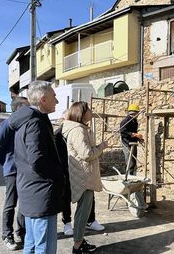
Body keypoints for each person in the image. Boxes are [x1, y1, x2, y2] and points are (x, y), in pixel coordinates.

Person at [9, 81, 65, 254]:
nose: (56, 101)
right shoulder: (35, 123)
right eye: (54, 97)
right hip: (41, 192)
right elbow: (37, 160)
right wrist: (59, 173)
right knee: (44, 246)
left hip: (31, 190)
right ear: (43, 99)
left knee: (32, 243)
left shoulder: (29, 120)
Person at [62, 101, 108, 254]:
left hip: (83, 175)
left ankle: (80, 240)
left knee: (84, 210)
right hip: (83, 176)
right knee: (83, 212)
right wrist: (101, 147)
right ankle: (77, 246)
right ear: (81, 113)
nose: (91, 111)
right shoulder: (78, 131)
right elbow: (87, 154)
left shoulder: (80, 129)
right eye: (88, 109)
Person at [54, 114, 105, 238]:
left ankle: (90, 220)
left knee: (88, 195)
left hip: (81, 169)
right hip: (65, 169)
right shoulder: (58, 134)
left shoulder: (81, 130)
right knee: (66, 196)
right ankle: (67, 222)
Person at [0, 96, 29, 251]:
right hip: (12, 170)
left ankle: (21, 232)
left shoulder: (26, 124)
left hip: (26, 171)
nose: (30, 109)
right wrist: (6, 164)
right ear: (18, 108)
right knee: (10, 203)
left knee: (24, 204)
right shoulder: (6, 124)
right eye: (27, 106)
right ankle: (7, 235)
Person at [120, 104, 143, 175]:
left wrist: (139, 139)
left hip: (133, 143)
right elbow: (123, 132)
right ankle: (129, 177)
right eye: (137, 113)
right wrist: (135, 134)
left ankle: (132, 176)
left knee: (133, 161)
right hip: (126, 143)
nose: (138, 114)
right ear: (134, 113)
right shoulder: (126, 121)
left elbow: (135, 132)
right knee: (130, 162)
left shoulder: (135, 121)